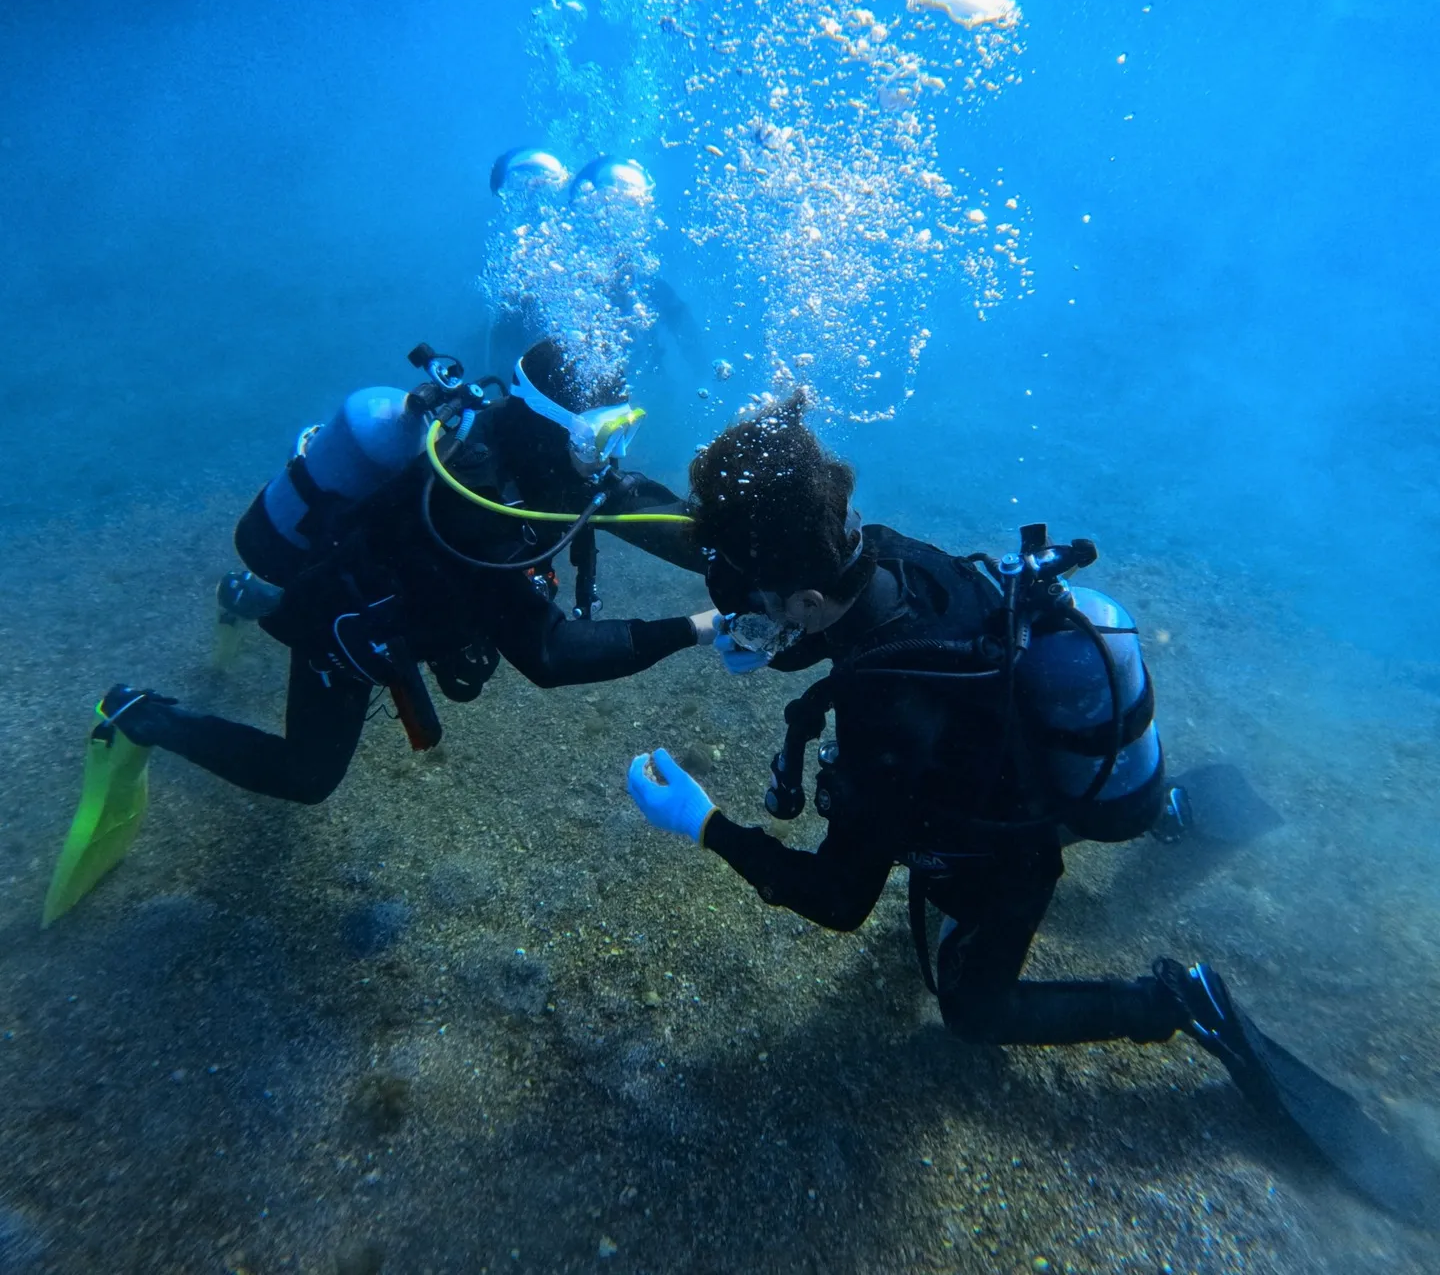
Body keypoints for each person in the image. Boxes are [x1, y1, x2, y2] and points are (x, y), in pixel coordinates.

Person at [625, 396, 1434, 1224]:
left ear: (800, 595)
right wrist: (771, 642)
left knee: (974, 1010)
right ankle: (1160, 802)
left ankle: (1181, 1001)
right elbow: (846, 632)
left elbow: (841, 900)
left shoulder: (888, 706)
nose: (743, 612)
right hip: (1018, 755)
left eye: (753, 601)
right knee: (1048, 793)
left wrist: (703, 824)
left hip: (1008, 847)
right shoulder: (888, 555)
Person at [100, 337, 715, 807]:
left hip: (433, 591)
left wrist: (741, 551)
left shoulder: (549, 460)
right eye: (599, 437)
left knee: (463, 666)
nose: (609, 458)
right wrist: (700, 627)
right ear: (544, 426)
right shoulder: (475, 505)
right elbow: (550, 655)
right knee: (308, 777)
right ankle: (141, 715)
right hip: (342, 620)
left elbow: (638, 508)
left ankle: (242, 595)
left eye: (620, 430)